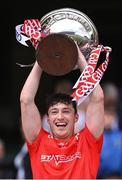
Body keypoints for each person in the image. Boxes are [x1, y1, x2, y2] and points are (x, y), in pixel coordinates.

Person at [20, 44, 104, 179]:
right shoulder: (38, 141)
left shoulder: (87, 141)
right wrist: (42, 56)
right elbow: (26, 100)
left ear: (76, 117)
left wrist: (80, 58)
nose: (60, 116)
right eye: (54, 112)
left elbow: (98, 98)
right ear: (47, 120)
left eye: (66, 111)